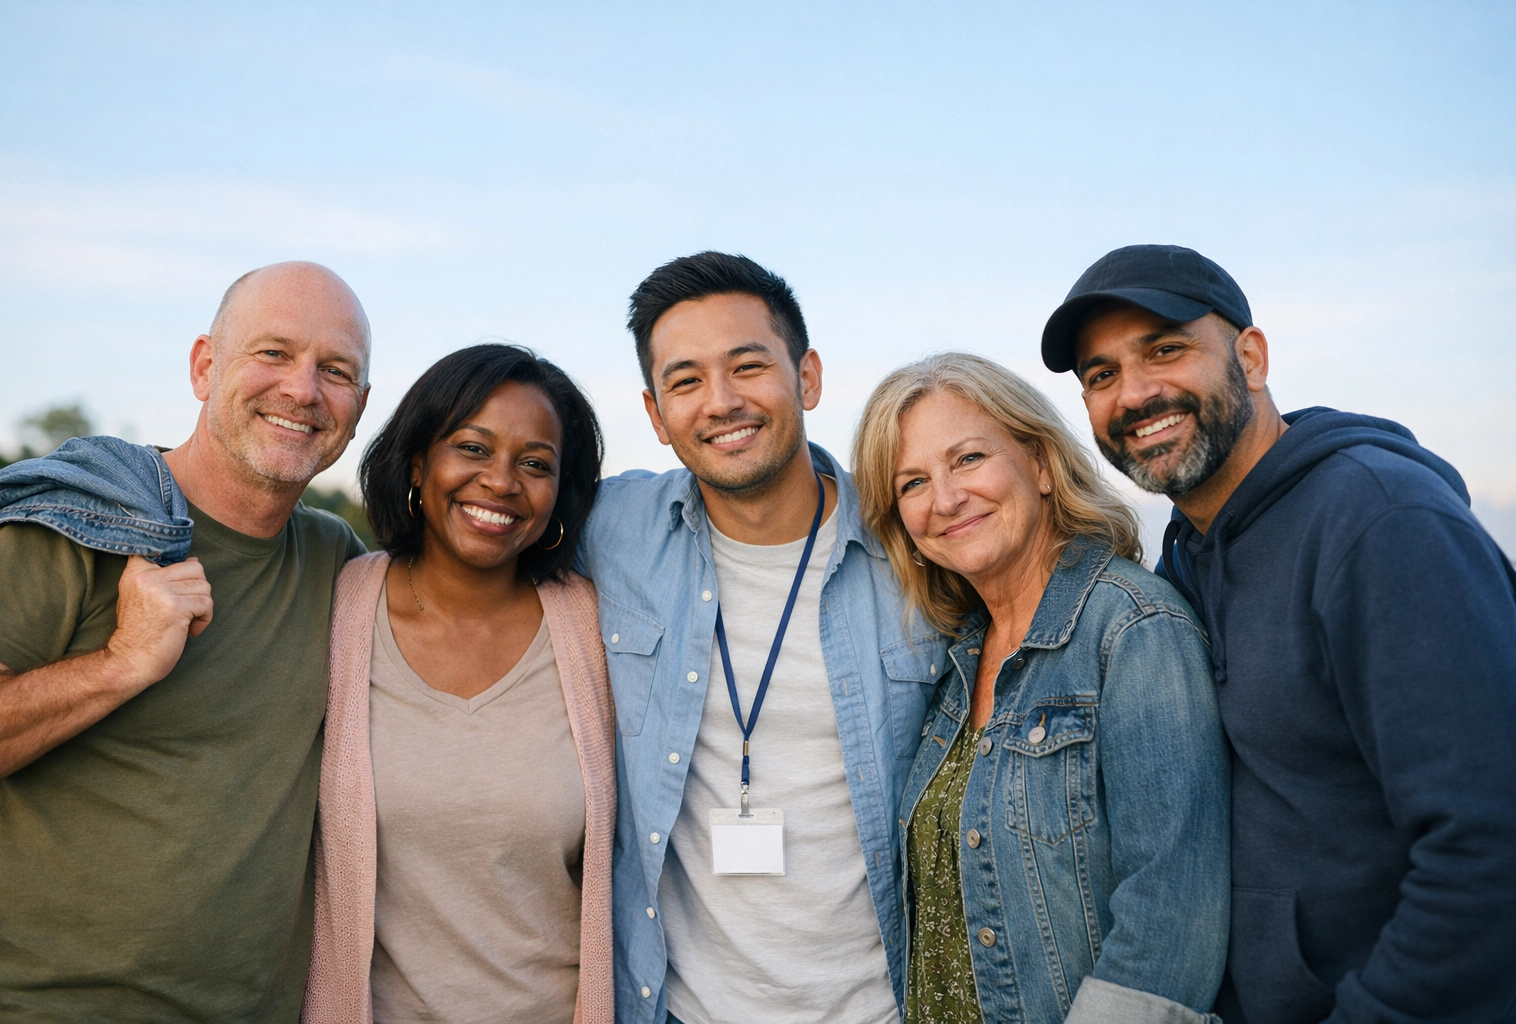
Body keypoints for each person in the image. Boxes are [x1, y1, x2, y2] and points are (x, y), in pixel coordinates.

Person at [1041, 243, 1516, 1023]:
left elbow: (1488, 844)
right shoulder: (1186, 556)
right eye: (1101, 375)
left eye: (1166, 349)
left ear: (1251, 358)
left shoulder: (1381, 525)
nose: (1135, 393)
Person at [0, 261, 372, 1021]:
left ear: (358, 408)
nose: (303, 389)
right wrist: (120, 666)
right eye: (273, 353)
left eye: (336, 370)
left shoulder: (342, 568)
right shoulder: (72, 527)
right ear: (204, 366)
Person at [577, 252, 951, 1024]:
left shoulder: (917, 545)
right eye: (685, 382)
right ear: (655, 414)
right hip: (677, 1009)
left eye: (747, 366)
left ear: (806, 377)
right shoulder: (609, 530)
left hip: (882, 1009)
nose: (720, 402)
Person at [851, 352, 1228, 1024]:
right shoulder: (957, 657)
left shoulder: (1132, 628)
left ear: (1043, 465)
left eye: (968, 459)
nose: (944, 499)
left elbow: (1171, 922)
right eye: (912, 483)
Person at [303, 344, 616, 1024]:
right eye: (473, 449)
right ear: (418, 462)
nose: (502, 481)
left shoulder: (598, 633)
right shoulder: (336, 606)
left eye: (535, 464)